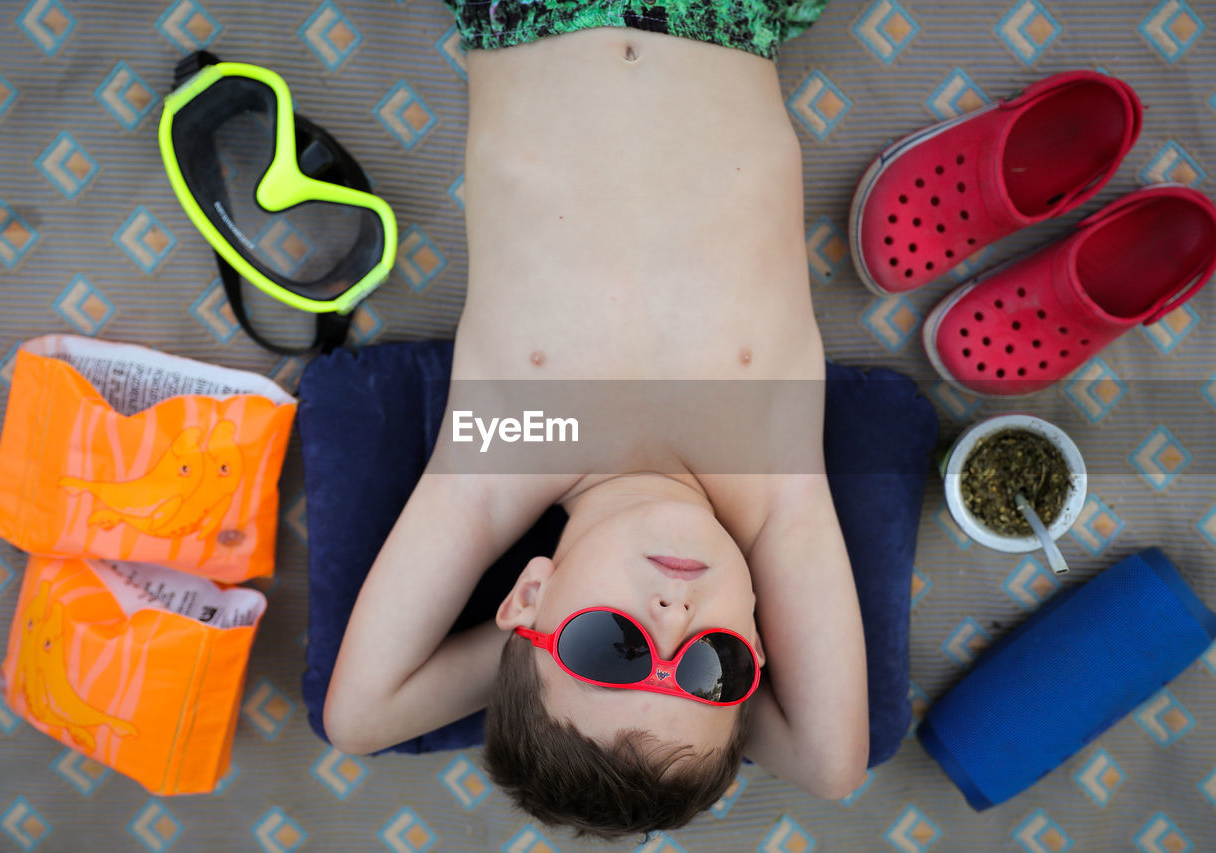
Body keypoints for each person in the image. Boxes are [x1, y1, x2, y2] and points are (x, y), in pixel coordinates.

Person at [324, 0, 869, 838]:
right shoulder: (771, 489)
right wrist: (597, 666)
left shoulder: (516, 449)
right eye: (711, 668)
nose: (671, 618)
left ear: (529, 594)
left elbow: (358, 718)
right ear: (755, 648)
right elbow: (833, 769)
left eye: (610, 648)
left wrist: (526, 656)